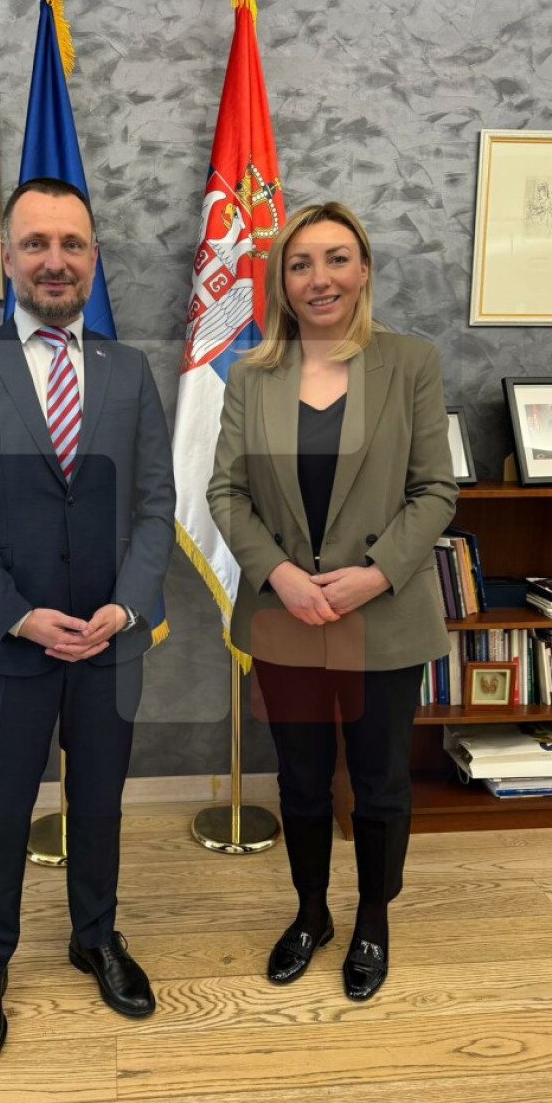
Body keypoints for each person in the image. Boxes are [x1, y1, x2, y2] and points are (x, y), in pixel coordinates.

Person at [0, 177, 175, 1063]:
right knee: (0, 810)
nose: (55, 260)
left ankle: (95, 936)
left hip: (109, 641)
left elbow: (155, 505)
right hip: (6, 643)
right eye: (36, 243)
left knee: (99, 800)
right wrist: (21, 615)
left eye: (72, 243)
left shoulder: (129, 370)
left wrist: (127, 605)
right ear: (8, 257)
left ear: (94, 258)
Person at [207, 202, 456, 1002]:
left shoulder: (411, 363)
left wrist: (375, 574)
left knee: (379, 781)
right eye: (301, 262)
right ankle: (311, 912)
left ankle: (372, 917)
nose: (320, 278)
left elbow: (436, 489)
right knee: (302, 780)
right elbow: (227, 491)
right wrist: (278, 573)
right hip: (287, 612)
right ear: (281, 280)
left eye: (337, 258)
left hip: (379, 612)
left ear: (365, 269)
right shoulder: (252, 374)